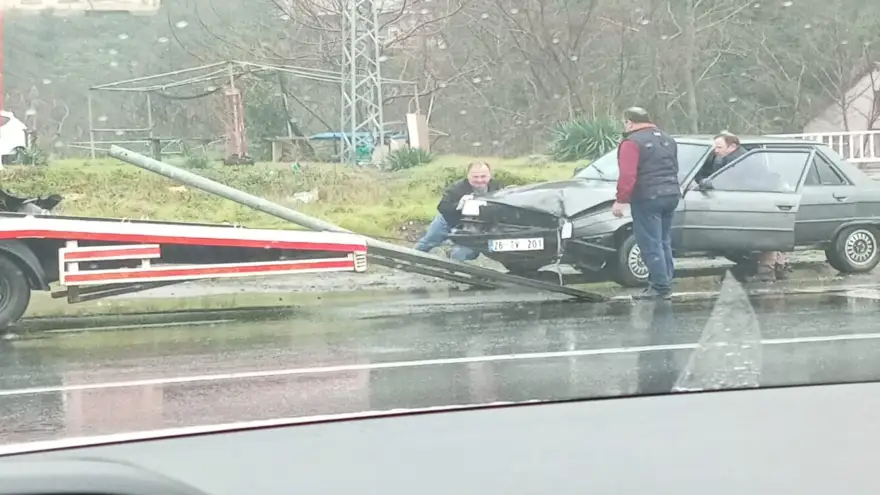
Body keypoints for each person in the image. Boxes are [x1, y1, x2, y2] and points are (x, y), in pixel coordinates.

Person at [611, 107, 680, 300]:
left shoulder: (631, 143)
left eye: (625, 122)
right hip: (671, 194)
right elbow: (674, 167)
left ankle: (660, 287)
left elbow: (628, 175)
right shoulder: (667, 139)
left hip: (647, 197)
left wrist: (620, 200)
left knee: (650, 242)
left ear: (630, 122)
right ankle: (665, 279)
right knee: (663, 240)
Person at [711, 131, 788, 281]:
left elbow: (730, 182)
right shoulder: (731, 159)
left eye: (719, 147)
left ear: (732, 147)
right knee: (765, 238)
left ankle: (767, 272)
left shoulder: (739, 162)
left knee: (764, 238)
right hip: (756, 201)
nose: (716, 150)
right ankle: (777, 266)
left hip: (758, 201)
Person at [414, 161, 503, 261]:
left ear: (490, 175)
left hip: (476, 229)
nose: (479, 180)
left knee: (460, 253)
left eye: (483, 176)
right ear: (468, 176)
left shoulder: (497, 188)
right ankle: (408, 261)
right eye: (475, 177)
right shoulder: (457, 188)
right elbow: (442, 207)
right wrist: (459, 205)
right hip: (448, 222)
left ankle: (453, 272)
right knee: (426, 244)